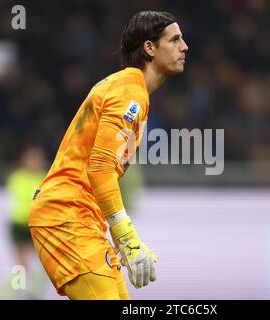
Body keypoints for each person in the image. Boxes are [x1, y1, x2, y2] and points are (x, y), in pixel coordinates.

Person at [28, 11, 188, 300]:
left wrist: (119, 238)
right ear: (150, 48)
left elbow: (103, 172)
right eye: (175, 39)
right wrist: (128, 237)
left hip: (81, 215)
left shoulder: (128, 89)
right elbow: (100, 168)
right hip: (67, 214)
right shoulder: (130, 92)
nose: (184, 46)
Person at [0, 145, 49, 299]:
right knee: (21, 265)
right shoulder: (17, 177)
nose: (34, 162)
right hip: (20, 225)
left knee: (47, 262)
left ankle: (32, 293)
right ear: (24, 160)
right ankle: (7, 295)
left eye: (37, 158)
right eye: (31, 158)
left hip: (37, 225)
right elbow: (25, 200)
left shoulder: (44, 177)